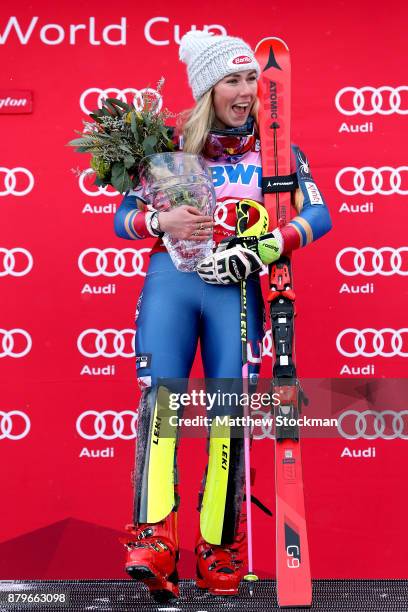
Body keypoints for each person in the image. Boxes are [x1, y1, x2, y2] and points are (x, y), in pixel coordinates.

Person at [115, 30, 332, 602]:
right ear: (208, 89)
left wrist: (263, 248)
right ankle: (153, 541)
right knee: (161, 402)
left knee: (226, 412)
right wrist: (162, 225)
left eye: (249, 80)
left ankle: (218, 545)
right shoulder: (170, 152)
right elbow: (122, 220)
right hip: (172, 285)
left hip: (234, 292)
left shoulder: (278, 151)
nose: (244, 91)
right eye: (231, 81)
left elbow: (321, 215)